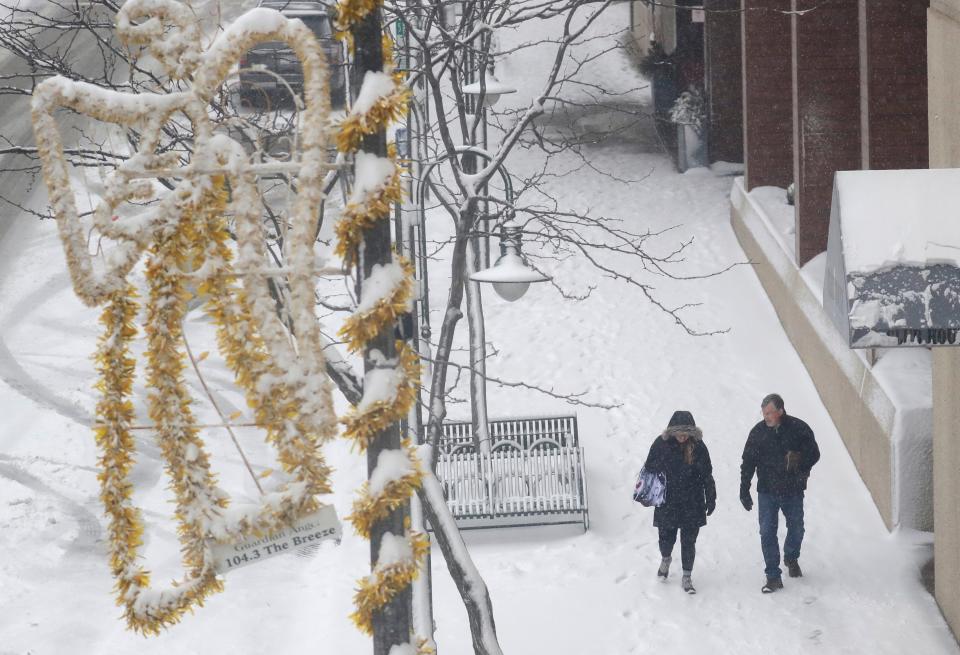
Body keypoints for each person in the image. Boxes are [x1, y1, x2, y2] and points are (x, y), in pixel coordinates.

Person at [740, 393, 820, 594]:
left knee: (797, 528)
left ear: (780, 411)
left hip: (792, 489)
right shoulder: (757, 433)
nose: (765, 416)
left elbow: (815, 453)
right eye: (763, 412)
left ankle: (791, 557)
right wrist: (744, 488)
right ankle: (773, 576)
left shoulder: (798, 429)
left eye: (769, 412)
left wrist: (799, 460)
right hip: (766, 491)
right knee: (767, 532)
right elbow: (748, 461)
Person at [643, 410, 716, 594]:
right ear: (672, 431)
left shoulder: (699, 447)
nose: (682, 436)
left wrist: (711, 496)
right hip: (667, 501)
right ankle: (666, 559)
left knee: (688, 541)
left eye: (686, 432)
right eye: (679, 432)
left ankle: (687, 576)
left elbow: (707, 474)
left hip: (693, 501)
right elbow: (649, 467)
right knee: (666, 539)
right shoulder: (661, 444)